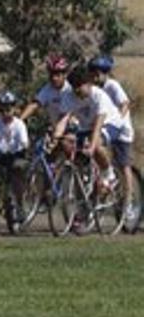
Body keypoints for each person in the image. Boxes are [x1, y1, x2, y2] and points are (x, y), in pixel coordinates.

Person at [52, 66, 135, 221]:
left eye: (80, 88)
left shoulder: (99, 96)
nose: (77, 92)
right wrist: (56, 137)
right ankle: (85, 200)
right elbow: (63, 120)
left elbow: (98, 126)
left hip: (111, 123)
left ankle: (109, 174)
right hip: (86, 126)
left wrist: (91, 146)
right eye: (74, 88)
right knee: (73, 152)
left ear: (89, 84)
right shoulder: (69, 96)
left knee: (95, 144)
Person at [0, 91, 29, 219]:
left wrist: (20, 150)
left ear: (14, 108)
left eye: (9, 108)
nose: (6, 111)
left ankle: (20, 205)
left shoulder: (19, 124)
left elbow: (24, 143)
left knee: (17, 171)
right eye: (3, 108)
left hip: (15, 155)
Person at [20, 54, 71, 127]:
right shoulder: (47, 89)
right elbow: (34, 105)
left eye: (57, 75)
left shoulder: (70, 89)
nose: (54, 78)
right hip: (56, 129)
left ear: (65, 74)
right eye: (52, 74)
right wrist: (19, 121)